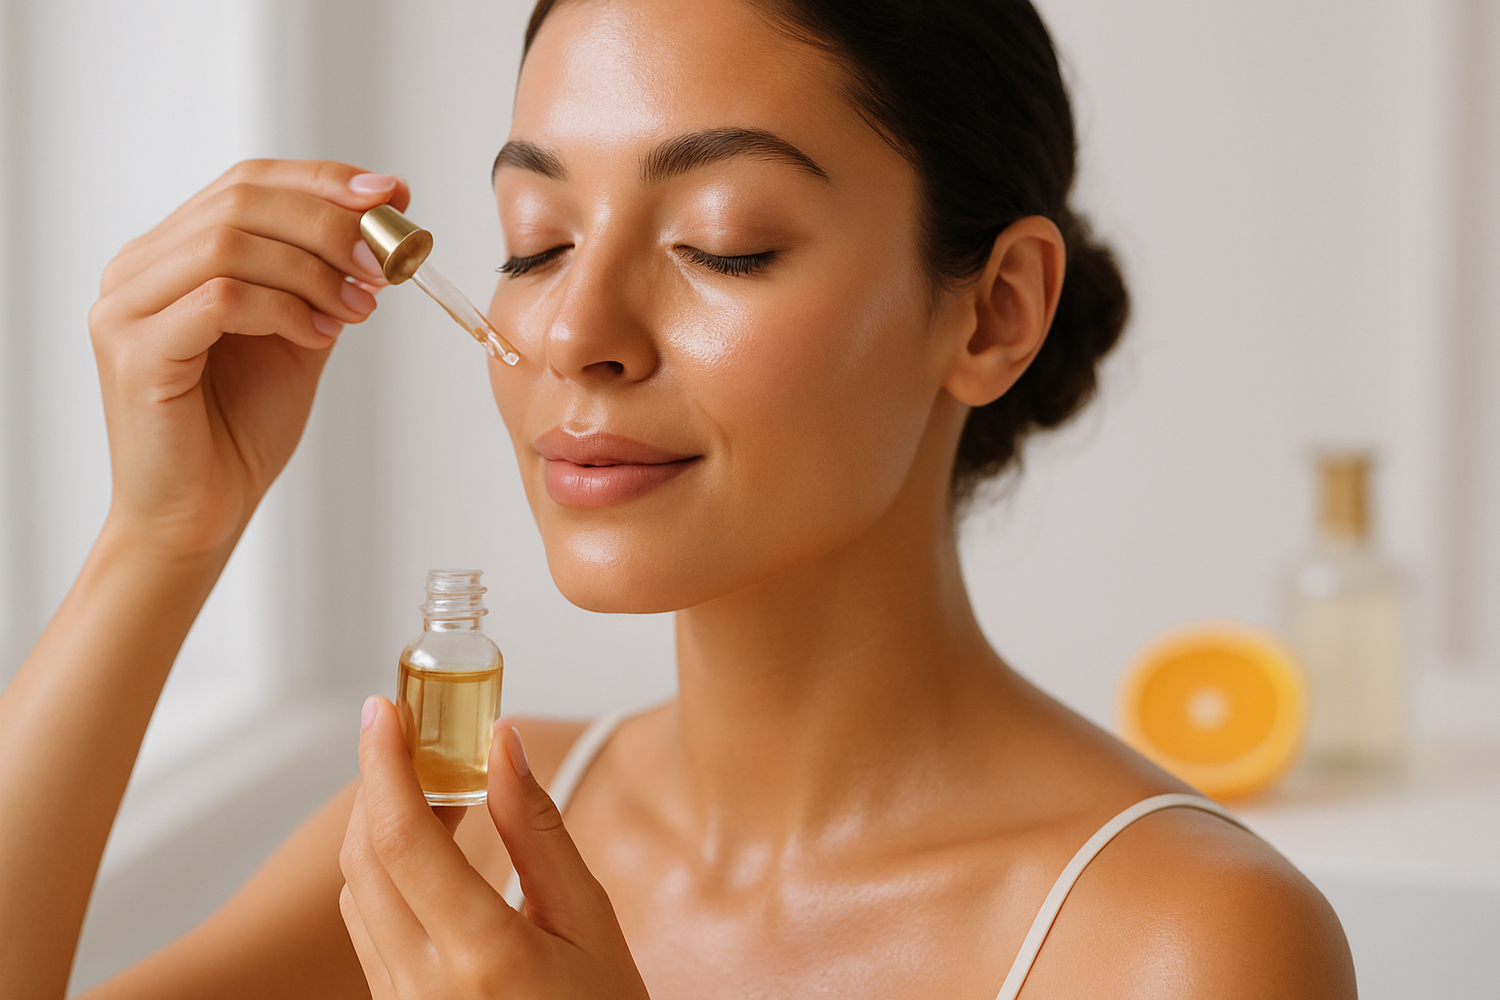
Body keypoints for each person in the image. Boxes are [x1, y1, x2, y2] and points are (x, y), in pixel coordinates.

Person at [0, 0, 1358, 997]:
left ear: (995, 312)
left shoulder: (1181, 939)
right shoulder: (466, 824)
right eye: (535, 244)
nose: (576, 331)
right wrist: (160, 536)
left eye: (727, 243)